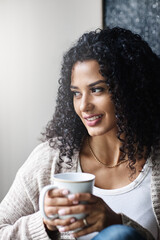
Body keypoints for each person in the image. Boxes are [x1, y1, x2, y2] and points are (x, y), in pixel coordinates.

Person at [0, 27, 160, 240]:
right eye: (76, 93)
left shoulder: (155, 163)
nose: (84, 106)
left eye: (97, 90)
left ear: (131, 89)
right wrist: (46, 223)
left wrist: (117, 223)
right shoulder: (51, 159)